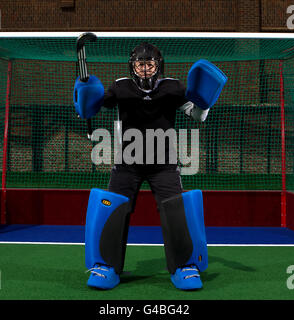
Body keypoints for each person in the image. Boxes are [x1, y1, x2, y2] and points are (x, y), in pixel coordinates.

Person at [74, 42, 227, 290]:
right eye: (140, 64)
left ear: (158, 66)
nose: (145, 69)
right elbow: (95, 106)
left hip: (164, 164)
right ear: (133, 66)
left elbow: (198, 116)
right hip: (127, 163)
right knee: (113, 211)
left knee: (176, 212)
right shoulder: (120, 86)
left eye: (149, 64)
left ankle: (184, 266)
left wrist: (205, 102)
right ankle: (106, 266)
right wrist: (86, 98)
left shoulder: (173, 87)